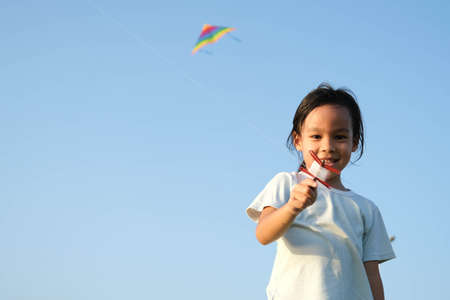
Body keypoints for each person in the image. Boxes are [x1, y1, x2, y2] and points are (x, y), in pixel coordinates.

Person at [246, 83, 395, 300]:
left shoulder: (367, 209)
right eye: (316, 136)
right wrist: (292, 207)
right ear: (298, 141)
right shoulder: (287, 183)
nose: (328, 146)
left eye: (340, 137)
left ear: (354, 143)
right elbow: (263, 234)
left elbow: (372, 275)